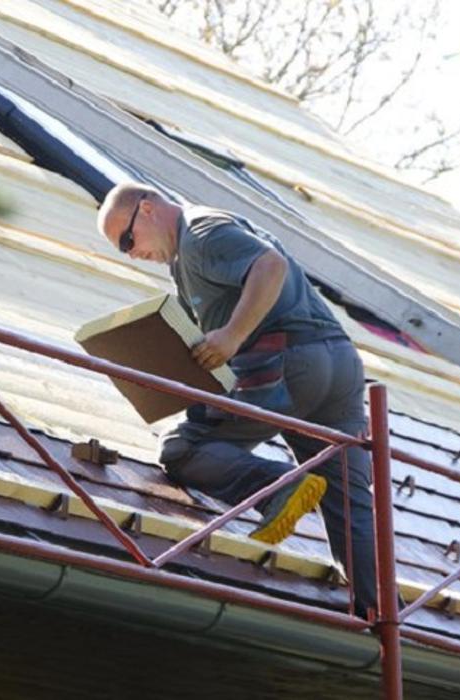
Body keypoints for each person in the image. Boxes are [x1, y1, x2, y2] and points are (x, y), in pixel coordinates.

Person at [97, 182, 377, 617]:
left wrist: (232, 335)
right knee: (349, 506)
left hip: (287, 365)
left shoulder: (202, 232)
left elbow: (270, 266)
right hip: (337, 367)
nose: (131, 254)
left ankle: (277, 488)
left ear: (148, 209)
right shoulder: (188, 258)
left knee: (182, 447)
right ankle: (384, 617)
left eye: (128, 241)